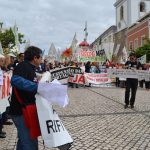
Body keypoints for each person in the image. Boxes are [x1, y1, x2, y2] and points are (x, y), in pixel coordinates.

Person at [9, 46, 42, 150]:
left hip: (25, 110)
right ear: (35, 58)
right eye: (40, 57)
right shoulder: (23, 66)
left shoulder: (29, 68)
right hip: (21, 111)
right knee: (30, 143)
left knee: (24, 141)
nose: (41, 60)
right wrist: (38, 87)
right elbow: (15, 80)